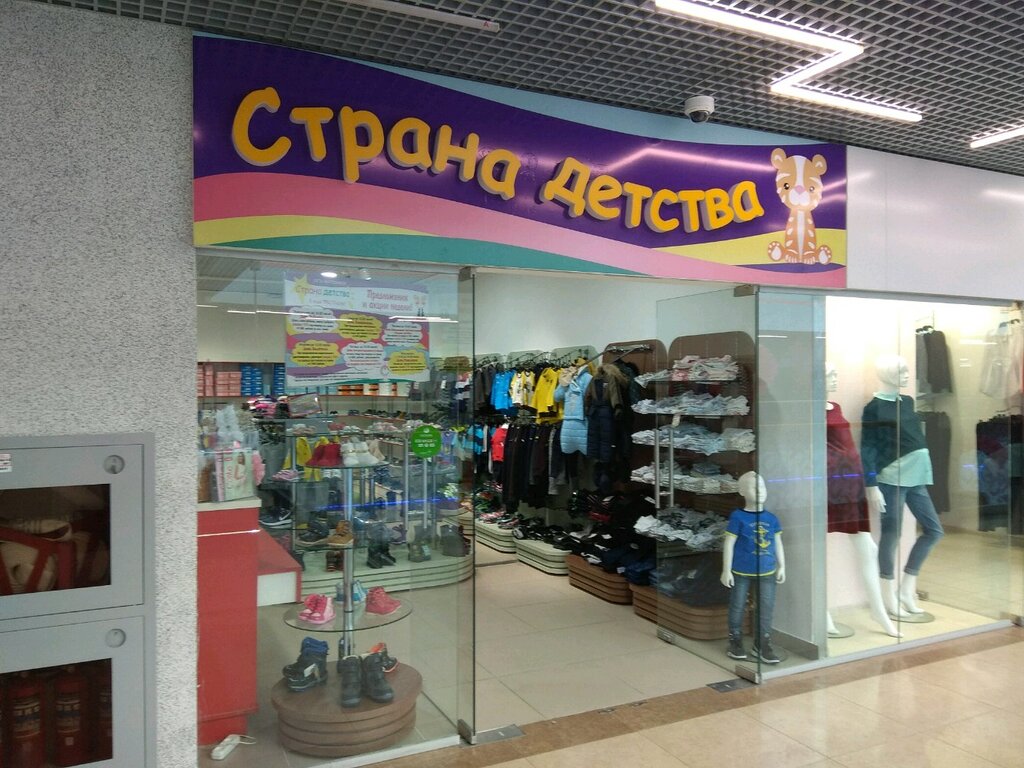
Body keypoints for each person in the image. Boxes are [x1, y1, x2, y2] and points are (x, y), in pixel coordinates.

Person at [861, 354, 943, 617]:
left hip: (916, 476)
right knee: (892, 534)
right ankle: (887, 595)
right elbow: (868, 447)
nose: (907, 375)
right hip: (892, 477)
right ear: (887, 374)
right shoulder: (874, 408)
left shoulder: (907, 401)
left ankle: (907, 589)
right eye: (902, 372)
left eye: (907, 371)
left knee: (934, 530)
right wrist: (871, 484)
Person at [825, 363, 901, 637]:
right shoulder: (807, 409)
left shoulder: (835, 407)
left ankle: (878, 611)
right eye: (830, 374)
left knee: (867, 547)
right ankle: (823, 613)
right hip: (828, 485)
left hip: (851, 483)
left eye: (835, 373)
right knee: (817, 550)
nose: (835, 377)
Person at [722, 471, 785, 663]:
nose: (759, 491)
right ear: (742, 491)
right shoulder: (738, 517)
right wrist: (726, 570)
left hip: (767, 570)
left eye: (762, 486)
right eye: (753, 487)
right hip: (740, 571)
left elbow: (777, 542)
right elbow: (729, 543)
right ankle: (735, 641)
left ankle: (763, 643)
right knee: (737, 606)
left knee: (766, 607)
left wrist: (782, 565)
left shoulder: (771, 519)